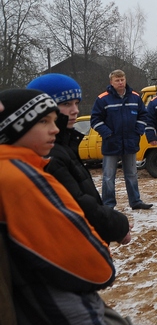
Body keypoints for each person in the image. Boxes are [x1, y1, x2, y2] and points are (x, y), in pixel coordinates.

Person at [0, 88, 140, 325]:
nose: (55, 128)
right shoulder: (21, 177)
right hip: (58, 295)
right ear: (14, 127)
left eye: (54, 121)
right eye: (44, 121)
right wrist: (103, 264)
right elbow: (71, 244)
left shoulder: (26, 168)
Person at [27, 73, 132, 245]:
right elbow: (77, 203)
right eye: (66, 104)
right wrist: (116, 225)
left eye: (77, 103)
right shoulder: (50, 153)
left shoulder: (65, 144)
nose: (75, 110)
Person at [91, 70, 152, 210]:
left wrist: (138, 132)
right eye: (117, 80)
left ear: (125, 80)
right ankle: (108, 204)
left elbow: (144, 116)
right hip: (111, 143)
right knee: (108, 176)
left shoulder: (135, 97)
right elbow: (95, 120)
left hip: (130, 142)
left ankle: (136, 201)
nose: (120, 82)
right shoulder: (102, 99)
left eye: (122, 79)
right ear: (111, 82)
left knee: (131, 174)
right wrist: (108, 134)